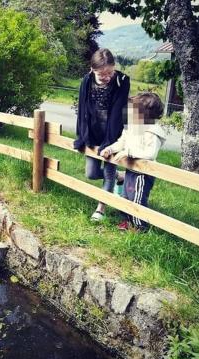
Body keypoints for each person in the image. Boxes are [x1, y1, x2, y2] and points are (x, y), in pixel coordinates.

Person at [74, 48, 130, 221]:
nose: (106, 77)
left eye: (110, 73)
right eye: (102, 75)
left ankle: (101, 209)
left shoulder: (122, 81)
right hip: (93, 133)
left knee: (107, 172)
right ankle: (120, 177)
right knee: (90, 173)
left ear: (114, 67)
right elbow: (83, 109)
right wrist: (82, 136)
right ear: (92, 70)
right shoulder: (87, 80)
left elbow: (117, 114)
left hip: (112, 134)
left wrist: (110, 143)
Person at [100, 92, 166, 231]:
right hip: (131, 170)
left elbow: (150, 154)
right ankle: (127, 220)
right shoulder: (132, 127)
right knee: (126, 196)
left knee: (137, 198)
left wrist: (128, 153)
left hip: (143, 173)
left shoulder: (152, 132)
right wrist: (110, 149)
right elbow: (121, 142)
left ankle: (140, 226)